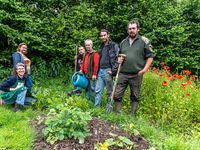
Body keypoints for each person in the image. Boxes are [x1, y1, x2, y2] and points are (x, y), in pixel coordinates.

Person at [114, 19, 155, 115]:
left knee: (135, 96)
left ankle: (132, 115)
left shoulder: (144, 41)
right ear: (127, 30)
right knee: (117, 94)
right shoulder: (123, 42)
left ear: (138, 29)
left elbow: (150, 56)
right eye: (129, 29)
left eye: (133, 28)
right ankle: (118, 113)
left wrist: (144, 70)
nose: (131, 30)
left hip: (136, 74)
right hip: (123, 73)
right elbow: (120, 56)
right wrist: (119, 60)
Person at [94, 29, 119, 107]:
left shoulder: (113, 45)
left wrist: (114, 70)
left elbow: (118, 59)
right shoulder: (101, 46)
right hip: (100, 71)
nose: (103, 37)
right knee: (98, 90)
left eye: (104, 35)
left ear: (108, 35)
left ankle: (109, 107)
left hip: (108, 71)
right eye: (101, 36)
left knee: (109, 91)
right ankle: (96, 107)